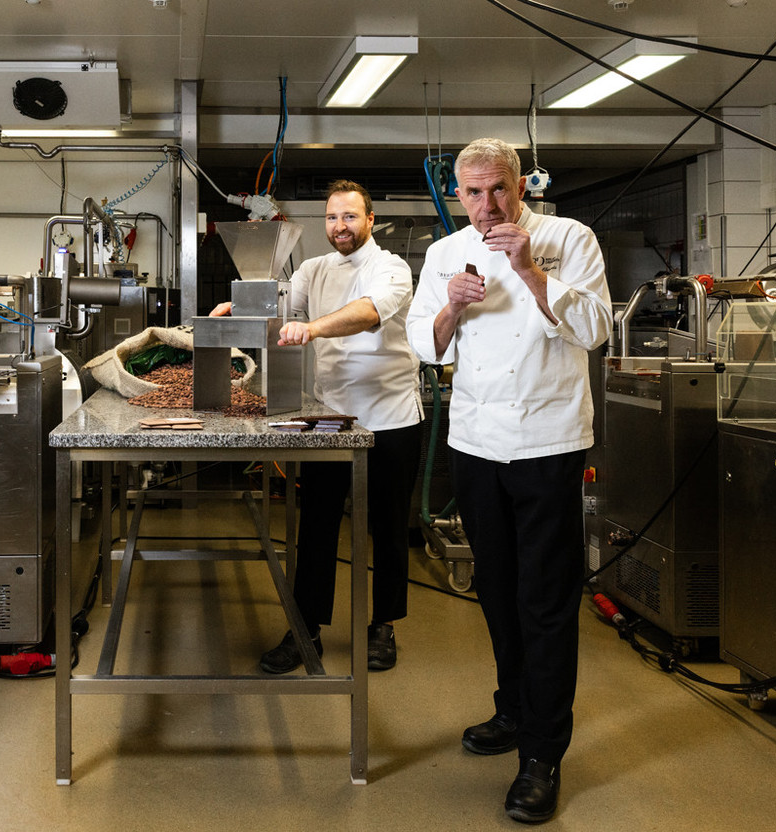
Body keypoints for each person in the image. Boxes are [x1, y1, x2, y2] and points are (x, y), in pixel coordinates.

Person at [406, 138, 612, 823]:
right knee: (494, 588)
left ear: (519, 185)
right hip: (474, 440)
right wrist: (451, 310)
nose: (486, 205)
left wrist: (529, 273)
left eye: (497, 189)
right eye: (472, 192)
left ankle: (541, 755)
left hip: (548, 440)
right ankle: (511, 711)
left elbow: (595, 329)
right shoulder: (442, 255)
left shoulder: (566, 238)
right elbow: (422, 344)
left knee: (545, 599)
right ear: (456, 194)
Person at [212, 180, 422, 673]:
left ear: (370, 220)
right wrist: (236, 311)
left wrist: (313, 328)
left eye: (350, 217)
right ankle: (305, 628)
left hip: (389, 415)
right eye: (331, 218)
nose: (340, 227)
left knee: (387, 527)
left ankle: (383, 626)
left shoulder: (390, 268)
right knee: (318, 523)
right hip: (331, 416)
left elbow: (369, 313)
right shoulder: (313, 268)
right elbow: (285, 312)